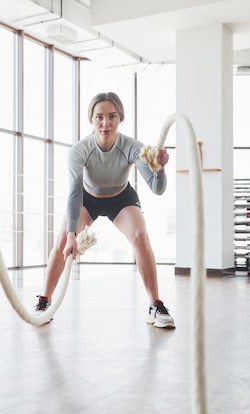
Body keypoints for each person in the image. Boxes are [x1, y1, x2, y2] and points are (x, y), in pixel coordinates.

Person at [35, 92, 175, 328]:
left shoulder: (133, 147)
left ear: (120, 118)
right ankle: (44, 302)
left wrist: (160, 169)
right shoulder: (79, 151)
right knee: (62, 238)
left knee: (141, 236)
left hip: (121, 198)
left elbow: (157, 188)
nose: (106, 123)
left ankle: (156, 305)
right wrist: (71, 234)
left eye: (112, 116)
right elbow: (74, 193)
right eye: (99, 117)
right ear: (92, 119)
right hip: (87, 198)